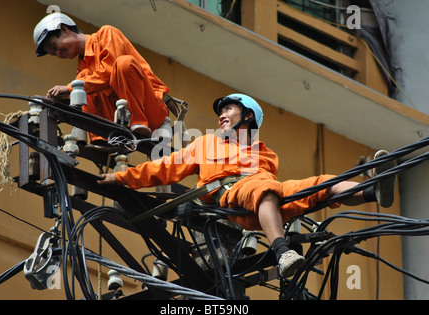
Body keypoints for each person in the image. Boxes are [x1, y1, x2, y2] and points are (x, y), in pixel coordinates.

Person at [97, 93, 395, 278]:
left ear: (248, 116)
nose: (221, 115)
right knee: (262, 189)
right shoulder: (207, 143)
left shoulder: (263, 152)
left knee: (322, 184)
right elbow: (165, 167)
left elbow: (269, 182)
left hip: (263, 200)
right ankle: (283, 253)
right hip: (232, 197)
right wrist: (122, 177)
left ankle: (373, 190)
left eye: (228, 109)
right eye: (221, 111)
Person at [33, 12, 170, 142]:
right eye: (53, 53)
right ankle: (101, 139)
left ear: (64, 29)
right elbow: (91, 87)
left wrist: (70, 88)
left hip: (150, 111)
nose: (58, 53)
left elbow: (109, 72)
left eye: (55, 46)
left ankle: (139, 122)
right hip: (123, 119)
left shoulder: (107, 34)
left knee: (123, 64)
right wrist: (59, 99)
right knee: (82, 80)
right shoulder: (83, 68)